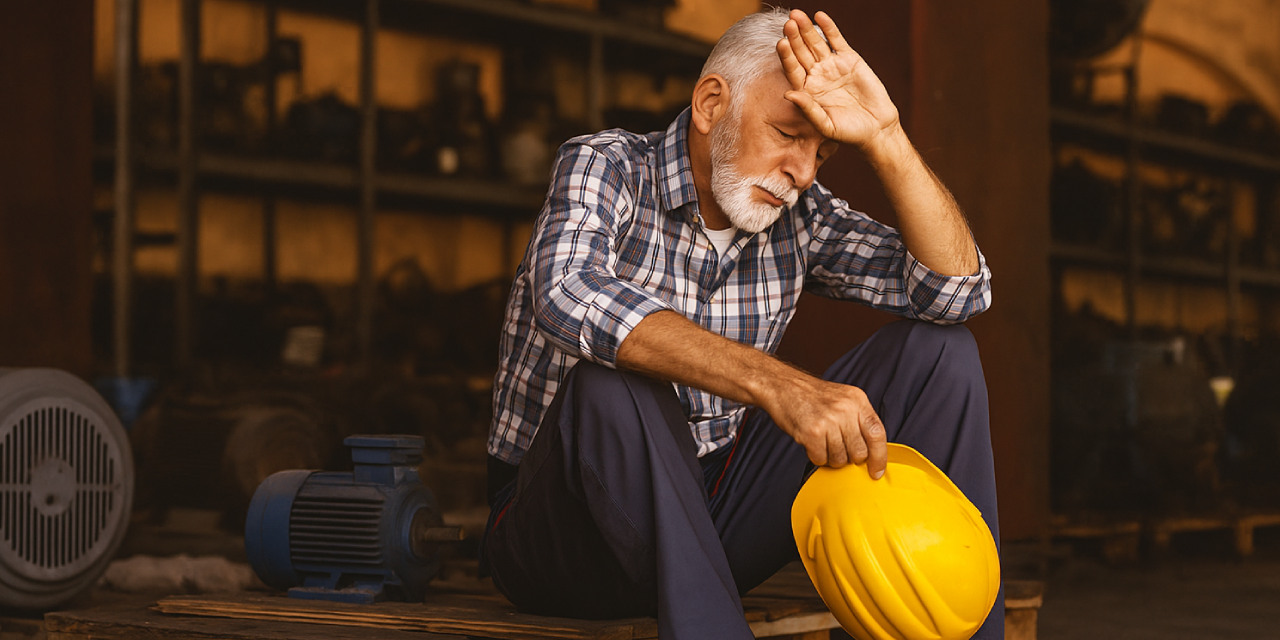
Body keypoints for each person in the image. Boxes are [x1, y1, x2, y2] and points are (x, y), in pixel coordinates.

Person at [482, 7, 1002, 639]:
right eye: (788, 133)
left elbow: (956, 292)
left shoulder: (800, 214)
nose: (803, 172)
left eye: (822, 151)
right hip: (565, 532)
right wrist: (782, 387)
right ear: (710, 104)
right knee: (612, 381)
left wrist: (887, 138)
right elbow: (567, 293)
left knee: (939, 353)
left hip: (714, 514)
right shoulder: (608, 166)